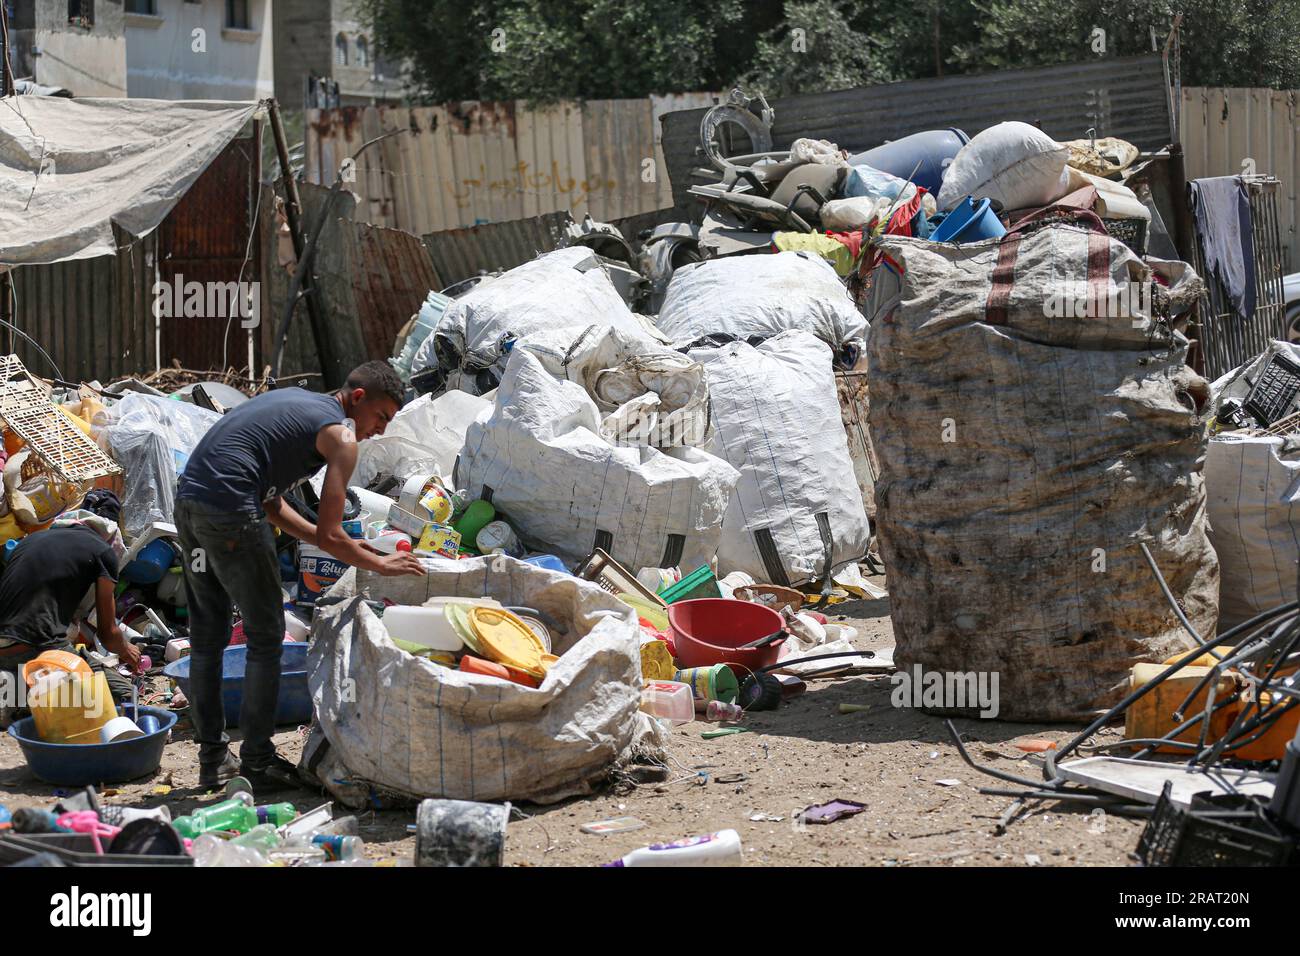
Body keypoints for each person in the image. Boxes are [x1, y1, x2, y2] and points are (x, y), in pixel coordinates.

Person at [175, 361, 425, 790]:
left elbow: (272, 504)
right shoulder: (342, 437)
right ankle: (257, 762)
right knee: (267, 635)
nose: (380, 431)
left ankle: (213, 760)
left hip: (191, 503)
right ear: (358, 398)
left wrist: (354, 547)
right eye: (381, 417)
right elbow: (331, 534)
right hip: (232, 512)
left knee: (208, 636)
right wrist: (381, 563)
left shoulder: (296, 406)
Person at [0, 521, 140, 726]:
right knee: (127, 696)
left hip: (4, 651)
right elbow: (108, 636)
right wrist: (127, 649)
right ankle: (24, 698)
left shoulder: (30, 540)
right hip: (40, 647)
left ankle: (15, 692)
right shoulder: (102, 551)